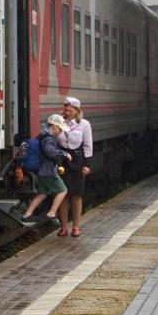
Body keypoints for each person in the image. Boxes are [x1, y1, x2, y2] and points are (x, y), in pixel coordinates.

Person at [19, 114, 74, 227]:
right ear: (54, 126)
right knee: (63, 190)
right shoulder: (48, 137)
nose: (61, 132)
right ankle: (52, 213)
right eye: (60, 129)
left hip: (42, 171)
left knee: (43, 193)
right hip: (48, 171)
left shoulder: (43, 135)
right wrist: (64, 153)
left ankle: (27, 215)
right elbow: (49, 151)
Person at [56, 96, 93, 237]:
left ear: (77, 111)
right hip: (61, 161)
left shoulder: (84, 124)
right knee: (62, 195)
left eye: (70, 110)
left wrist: (87, 165)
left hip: (78, 161)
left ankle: (76, 226)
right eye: (65, 110)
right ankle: (64, 226)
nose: (67, 113)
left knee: (76, 195)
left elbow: (88, 145)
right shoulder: (59, 122)